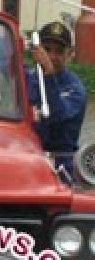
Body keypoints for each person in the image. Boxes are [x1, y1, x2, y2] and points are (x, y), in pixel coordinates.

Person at [26, 21, 87, 179]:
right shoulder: (27, 77)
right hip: (27, 159)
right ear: (36, 51)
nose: (52, 56)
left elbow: (55, 115)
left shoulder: (75, 88)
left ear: (70, 54)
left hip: (59, 167)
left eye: (59, 51)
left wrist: (49, 75)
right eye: (46, 49)